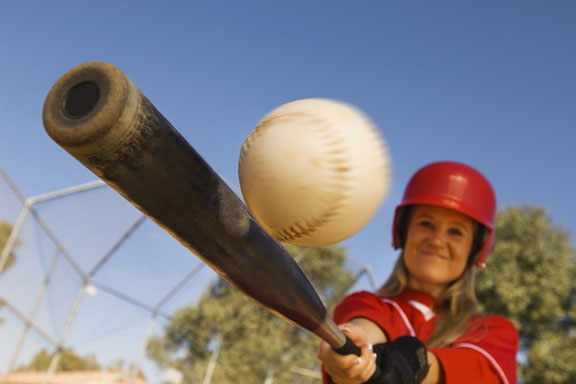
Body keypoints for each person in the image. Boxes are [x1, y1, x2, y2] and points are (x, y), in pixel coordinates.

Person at [317, 161, 518, 384]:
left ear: (475, 251)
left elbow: (474, 371)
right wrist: (356, 352)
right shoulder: (365, 304)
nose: (437, 240)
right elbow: (365, 329)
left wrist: (411, 365)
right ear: (404, 232)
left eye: (455, 231)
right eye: (426, 224)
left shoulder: (492, 332)